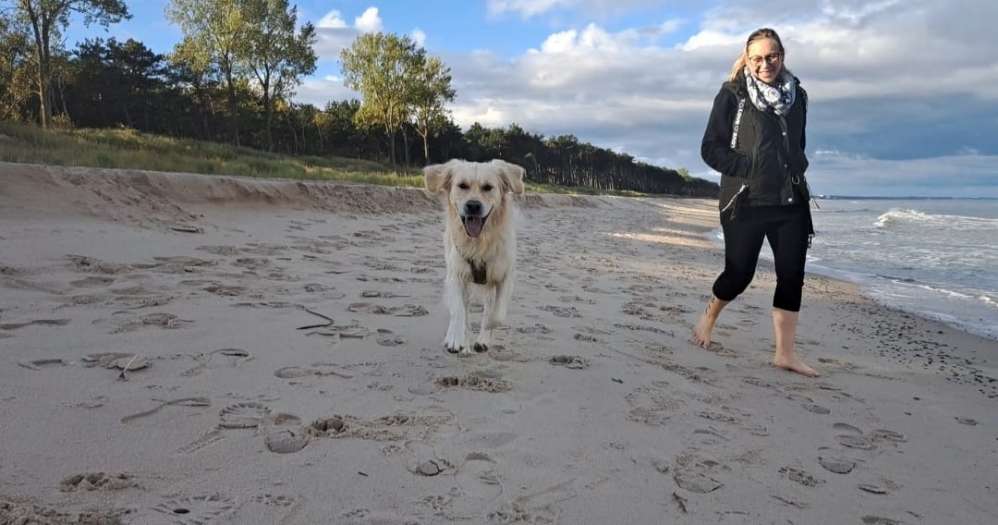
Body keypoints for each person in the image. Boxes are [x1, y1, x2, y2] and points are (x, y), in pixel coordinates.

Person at [693, 27, 818, 377]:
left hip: (790, 200)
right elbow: (710, 148)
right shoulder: (732, 94)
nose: (766, 64)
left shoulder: (799, 96)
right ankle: (709, 316)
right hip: (744, 201)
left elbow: (798, 142)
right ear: (748, 60)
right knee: (739, 273)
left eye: (772, 56)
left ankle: (785, 353)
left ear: (782, 55)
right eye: (758, 58)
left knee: (792, 275)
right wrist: (746, 167)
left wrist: (797, 163)